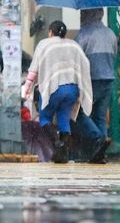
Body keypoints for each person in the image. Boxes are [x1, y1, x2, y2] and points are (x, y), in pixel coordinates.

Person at [21, 21, 96, 164]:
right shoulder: (73, 45)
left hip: (53, 88)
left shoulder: (44, 44)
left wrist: (27, 86)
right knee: (64, 119)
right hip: (72, 89)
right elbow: (85, 62)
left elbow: (34, 69)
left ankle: (57, 144)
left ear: (50, 32)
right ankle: (64, 154)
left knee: (45, 119)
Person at [74, 8, 116, 161]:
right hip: (108, 78)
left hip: (91, 79)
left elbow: (76, 57)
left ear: (86, 14)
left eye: (82, 13)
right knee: (100, 116)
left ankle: (98, 138)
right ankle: (100, 153)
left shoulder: (84, 33)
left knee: (80, 114)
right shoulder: (110, 33)